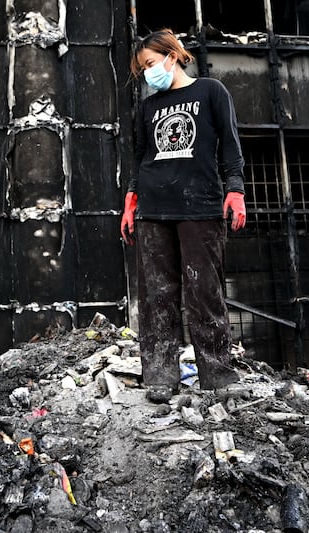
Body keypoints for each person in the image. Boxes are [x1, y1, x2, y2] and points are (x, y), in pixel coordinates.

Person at [120, 30, 247, 394]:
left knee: (204, 292)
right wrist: (131, 200)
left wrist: (235, 189)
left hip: (200, 206)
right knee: (157, 297)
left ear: (172, 57)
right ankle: (160, 379)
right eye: (143, 68)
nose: (147, 73)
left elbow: (230, 146)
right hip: (153, 210)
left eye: (150, 63)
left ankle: (218, 375)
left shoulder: (211, 91)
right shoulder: (148, 107)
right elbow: (143, 154)